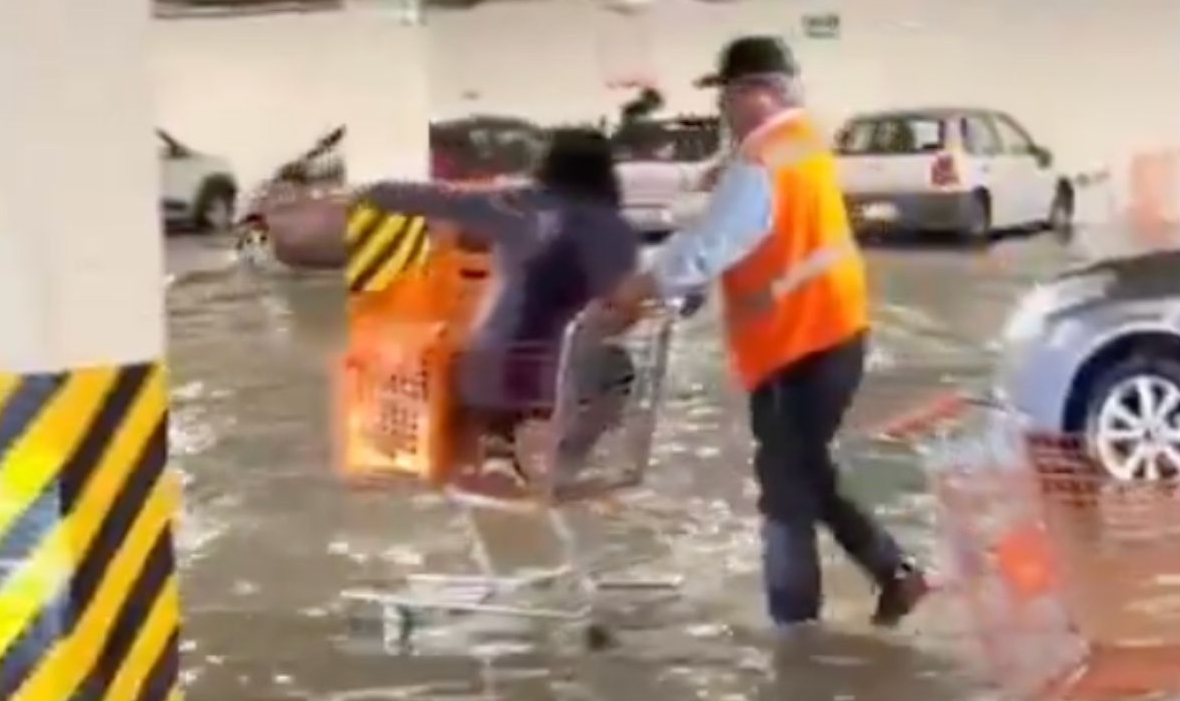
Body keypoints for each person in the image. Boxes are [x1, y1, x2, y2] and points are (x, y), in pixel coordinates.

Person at [602, 36, 929, 630]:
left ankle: (796, 634)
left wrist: (634, 291)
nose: (723, 110)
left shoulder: (763, 162)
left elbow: (706, 246)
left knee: (785, 490)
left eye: (727, 95)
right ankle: (896, 574)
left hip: (801, 344)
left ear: (757, 92)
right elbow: (747, 246)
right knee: (804, 472)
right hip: (824, 334)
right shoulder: (801, 145)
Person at [356, 128, 640, 486]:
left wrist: (368, 192)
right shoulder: (619, 231)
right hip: (565, 377)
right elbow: (623, 310)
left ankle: (495, 448)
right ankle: (569, 458)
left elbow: (436, 198)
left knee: (470, 350)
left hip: (487, 373)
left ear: (549, 166)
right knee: (618, 366)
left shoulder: (515, 204)